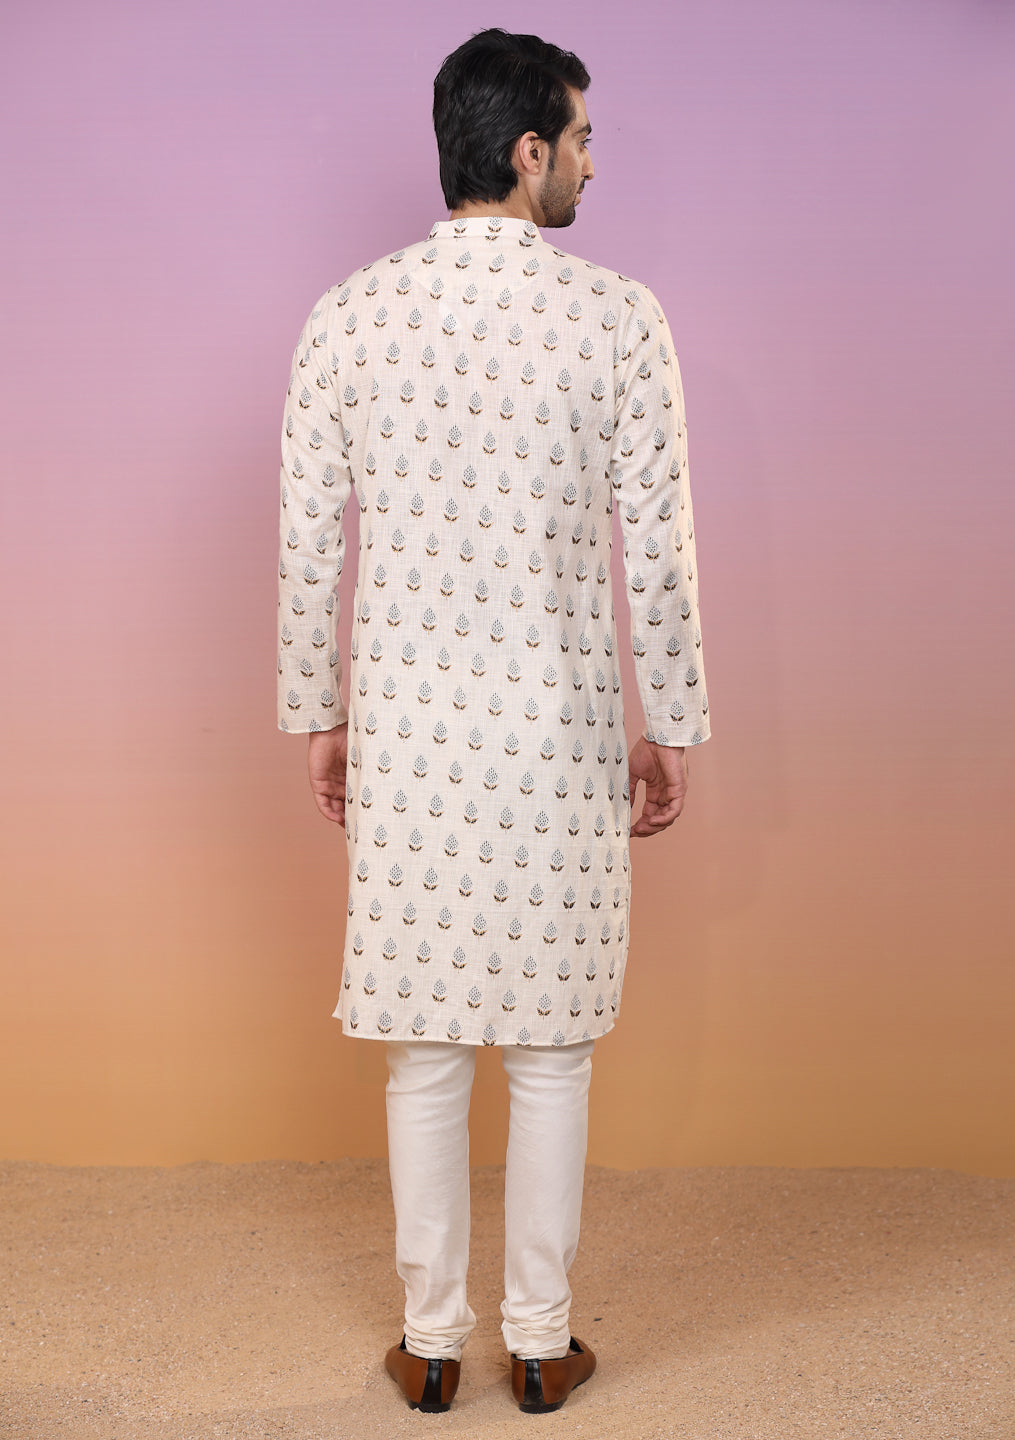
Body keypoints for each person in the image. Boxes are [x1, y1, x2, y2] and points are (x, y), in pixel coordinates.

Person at [276, 27, 710, 1415]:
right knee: (549, 1052)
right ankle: (536, 1341)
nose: (588, 163)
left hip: (408, 736)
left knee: (423, 1050)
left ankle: (427, 1346)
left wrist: (320, 712)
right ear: (528, 153)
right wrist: (670, 720)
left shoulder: (348, 317)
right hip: (558, 733)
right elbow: (657, 552)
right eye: (580, 140)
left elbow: (308, 546)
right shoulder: (617, 320)